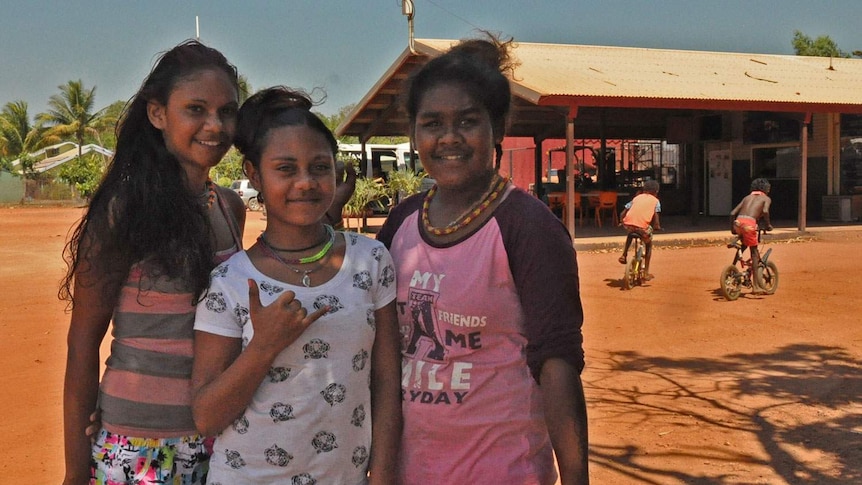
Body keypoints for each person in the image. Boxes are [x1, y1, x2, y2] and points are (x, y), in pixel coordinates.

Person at [374, 34, 589, 484]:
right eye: (432, 123)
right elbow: (381, 354)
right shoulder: (401, 223)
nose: (449, 138)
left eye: (467, 121)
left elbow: (558, 363)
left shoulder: (528, 229)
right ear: (414, 133)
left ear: (499, 125)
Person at [190, 87, 401, 484]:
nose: (305, 182)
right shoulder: (230, 283)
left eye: (319, 167)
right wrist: (264, 346)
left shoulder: (370, 261)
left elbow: (387, 380)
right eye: (286, 169)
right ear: (254, 174)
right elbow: (206, 416)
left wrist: (383, 474)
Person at [60, 40, 246, 484]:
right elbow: (83, 344)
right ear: (158, 114)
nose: (214, 125)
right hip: (138, 446)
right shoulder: (124, 212)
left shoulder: (230, 207)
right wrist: (73, 471)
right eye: (195, 109)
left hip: (220, 437)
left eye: (227, 112)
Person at [729, 177, 773, 289]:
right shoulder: (766, 198)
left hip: (738, 222)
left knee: (743, 245)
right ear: (766, 189)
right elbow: (765, 211)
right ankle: (756, 286)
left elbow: (732, 213)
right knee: (754, 252)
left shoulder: (747, 197)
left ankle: (731, 270)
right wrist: (768, 225)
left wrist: (733, 229)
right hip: (749, 224)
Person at [617, 179, 662, 280]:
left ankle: (624, 255)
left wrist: (621, 221)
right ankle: (646, 273)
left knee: (631, 233)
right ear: (656, 192)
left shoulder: (636, 198)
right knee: (649, 244)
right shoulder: (656, 201)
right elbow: (656, 216)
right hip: (642, 228)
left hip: (628, 225)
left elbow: (622, 212)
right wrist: (657, 226)